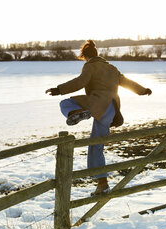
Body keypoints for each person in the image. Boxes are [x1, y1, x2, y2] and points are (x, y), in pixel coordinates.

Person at [46, 40, 152, 195]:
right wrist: (143, 90)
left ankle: (77, 113)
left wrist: (58, 90)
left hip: (97, 104)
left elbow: (80, 82)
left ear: (85, 56)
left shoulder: (90, 66)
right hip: (111, 109)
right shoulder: (112, 68)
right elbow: (127, 82)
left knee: (64, 103)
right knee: (96, 145)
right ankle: (102, 184)